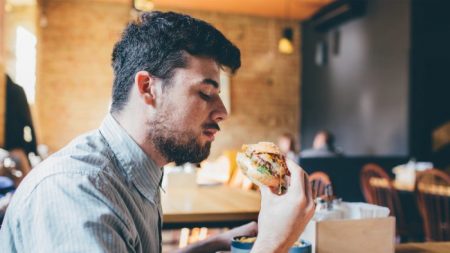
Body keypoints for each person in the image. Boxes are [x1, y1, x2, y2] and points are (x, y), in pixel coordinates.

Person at [0, 11, 314, 252]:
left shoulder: (138, 171)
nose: (223, 111)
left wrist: (208, 245)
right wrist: (273, 243)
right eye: (205, 93)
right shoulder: (73, 192)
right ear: (148, 88)